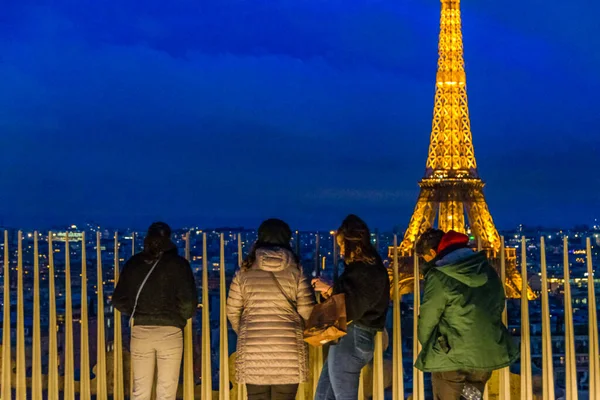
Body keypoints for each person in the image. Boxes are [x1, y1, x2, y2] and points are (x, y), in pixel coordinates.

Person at [414, 228, 519, 400]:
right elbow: (498, 304)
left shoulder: (439, 276)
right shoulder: (487, 270)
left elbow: (427, 319)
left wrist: (434, 346)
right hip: (483, 355)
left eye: (425, 258)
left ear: (433, 252)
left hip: (450, 358)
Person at [227, 219, 315, 400]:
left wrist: (245, 330)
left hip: (253, 350)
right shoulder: (296, 270)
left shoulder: (244, 270)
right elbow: (307, 311)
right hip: (288, 349)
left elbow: (232, 310)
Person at [112, 222, 198, 400]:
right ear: (169, 238)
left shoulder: (134, 263)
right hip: (171, 331)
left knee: (140, 390)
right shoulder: (179, 265)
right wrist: (179, 316)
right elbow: (189, 302)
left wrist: (137, 310)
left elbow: (118, 300)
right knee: (167, 391)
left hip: (141, 330)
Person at [312, 214, 390, 400]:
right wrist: (333, 290)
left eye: (341, 245)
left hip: (352, 338)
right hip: (358, 338)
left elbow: (352, 307)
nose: (340, 252)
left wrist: (330, 288)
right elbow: (359, 297)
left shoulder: (363, 269)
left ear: (350, 243)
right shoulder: (372, 266)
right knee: (324, 396)